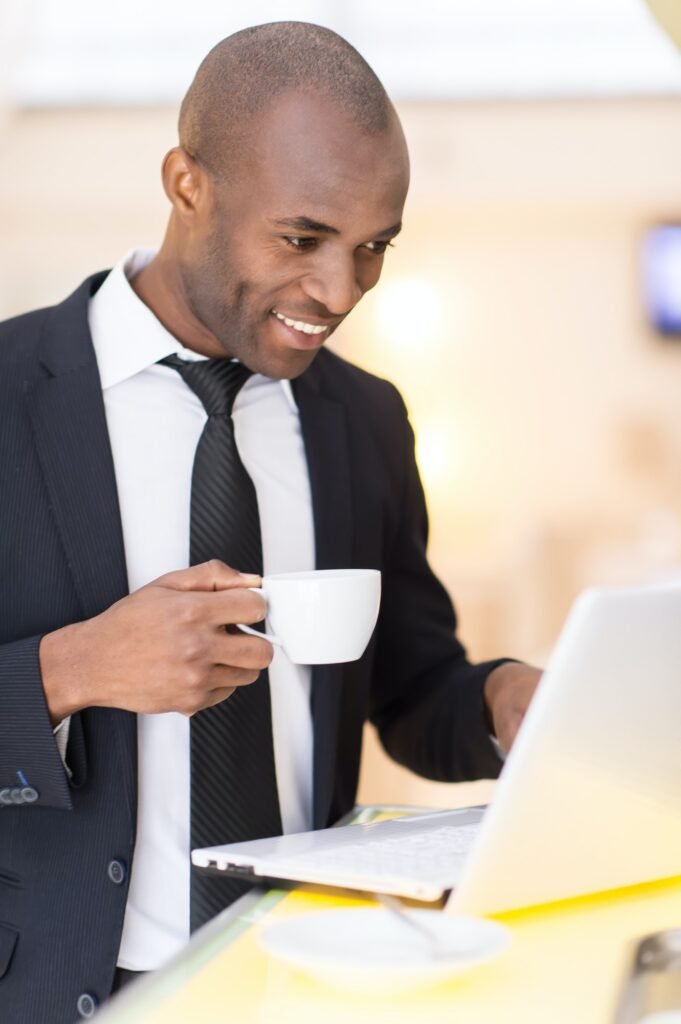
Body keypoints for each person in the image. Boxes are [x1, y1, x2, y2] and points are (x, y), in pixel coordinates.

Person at [0, 21, 541, 1023]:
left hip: (309, 979)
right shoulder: (8, 395)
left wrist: (505, 700)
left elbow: (412, 686)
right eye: (301, 239)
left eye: (372, 248)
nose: (339, 291)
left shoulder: (366, 417)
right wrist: (73, 671)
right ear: (185, 183)